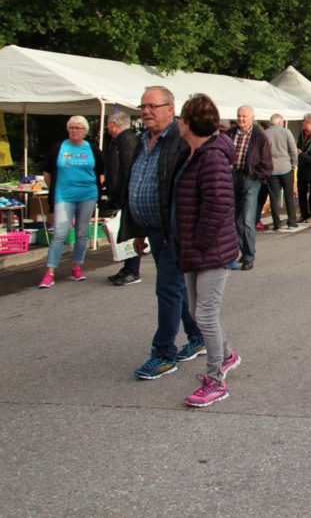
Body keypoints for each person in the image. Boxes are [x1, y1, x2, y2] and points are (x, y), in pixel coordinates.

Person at [119, 86, 205, 379]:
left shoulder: (180, 142)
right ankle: (197, 336)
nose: (145, 112)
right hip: (153, 229)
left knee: (167, 288)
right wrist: (138, 230)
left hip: (174, 231)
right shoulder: (142, 140)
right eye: (142, 106)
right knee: (175, 287)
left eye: (152, 106)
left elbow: (189, 188)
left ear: (170, 109)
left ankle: (164, 353)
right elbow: (139, 183)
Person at [173, 93, 241, 408]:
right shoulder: (195, 153)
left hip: (210, 249)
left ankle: (216, 380)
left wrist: (200, 240)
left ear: (189, 123)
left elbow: (218, 203)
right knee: (196, 311)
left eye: (181, 119)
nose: (178, 124)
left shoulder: (211, 156)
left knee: (205, 314)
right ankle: (226, 355)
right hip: (197, 247)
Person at [38, 116, 105, 288]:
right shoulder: (58, 148)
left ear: (85, 131)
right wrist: (56, 189)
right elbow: (47, 173)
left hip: (87, 195)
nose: (75, 130)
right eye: (72, 127)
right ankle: (49, 272)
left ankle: (77, 267)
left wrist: (94, 187)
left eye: (79, 128)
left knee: (82, 233)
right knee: (60, 233)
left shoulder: (93, 149)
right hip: (63, 196)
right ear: (67, 129)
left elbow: (101, 174)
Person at [226, 106, 272, 271]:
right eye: (239, 116)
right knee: (235, 219)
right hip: (232, 177)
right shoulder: (230, 134)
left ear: (252, 117)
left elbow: (267, 163)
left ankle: (249, 257)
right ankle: (243, 252)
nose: (241, 119)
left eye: (244, 116)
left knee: (247, 219)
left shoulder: (259, 137)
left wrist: (256, 177)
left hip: (250, 179)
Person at [104, 112, 141, 286]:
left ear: (114, 124)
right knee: (125, 231)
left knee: (130, 231)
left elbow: (129, 168)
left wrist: (125, 192)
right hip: (122, 194)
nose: (106, 126)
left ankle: (132, 269)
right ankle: (128, 267)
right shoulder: (121, 140)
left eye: (108, 123)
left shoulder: (126, 141)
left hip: (127, 194)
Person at [264, 113, 299, 231]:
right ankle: (292, 222)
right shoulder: (286, 132)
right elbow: (293, 149)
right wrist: (294, 163)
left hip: (271, 169)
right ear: (279, 122)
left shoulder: (265, 133)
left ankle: (277, 224)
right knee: (289, 196)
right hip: (286, 168)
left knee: (274, 197)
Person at [296, 114, 311, 223]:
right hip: (302, 167)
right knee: (301, 192)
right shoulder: (301, 134)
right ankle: (303, 214)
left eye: (303, 121)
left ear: (308, 122)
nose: (302, 123)